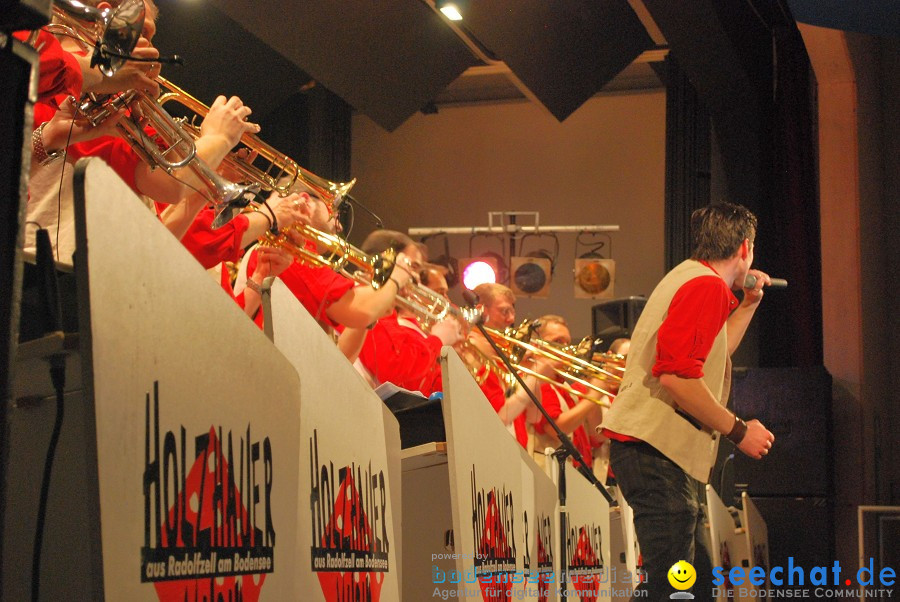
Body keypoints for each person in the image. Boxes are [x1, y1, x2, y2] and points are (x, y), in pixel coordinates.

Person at [601, 202, 775, 601]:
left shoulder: (691, 277)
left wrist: (748, 303)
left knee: (690, 583)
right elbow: (677, 377)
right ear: (745, 248)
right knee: (673, 587)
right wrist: (739, 430)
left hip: (660, 454)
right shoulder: (705, 286)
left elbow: (714, 352)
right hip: (655, 452)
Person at [349, 231, 462, 393]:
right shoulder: (367, 300)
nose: (416, 278)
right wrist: (438, 340)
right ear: (386, 260)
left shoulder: (384, 308)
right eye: (413, 266)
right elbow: (393, 368)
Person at [530, 315, 606, 470]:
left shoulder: (564, 385)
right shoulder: (539, 381)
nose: (568, 349)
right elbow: (558, 429)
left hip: (578, 473)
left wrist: (593, 388)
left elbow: (598, 435)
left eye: (568, 343)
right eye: (558, 341)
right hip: (553, 475)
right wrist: (592, 397)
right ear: (537, 345)